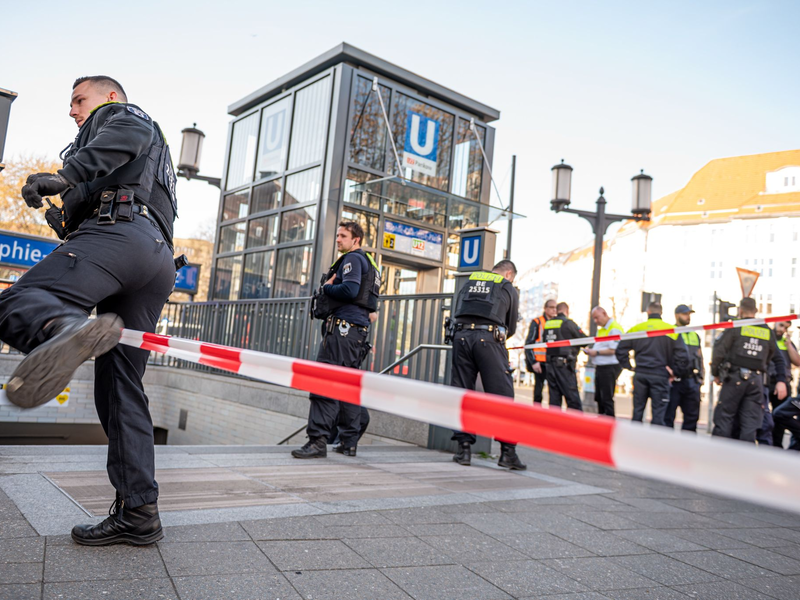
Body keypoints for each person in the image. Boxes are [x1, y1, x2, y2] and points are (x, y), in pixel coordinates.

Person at [0, 76, 178, 546]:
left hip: (120, 236)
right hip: (154, 256)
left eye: (79, 100)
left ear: (110, 96)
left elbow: (128, 134)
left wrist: (67, 175)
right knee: (120, 389)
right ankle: (139, 511)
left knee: (18, 302)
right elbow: (126, 173)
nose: (74, 111)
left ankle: (61, 327)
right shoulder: (146, 157)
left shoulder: (123, 114)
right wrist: (66, 216)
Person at [292, 221, 379, 459]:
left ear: (356, 240)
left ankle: (318, 441)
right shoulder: (369, 263)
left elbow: (350, 291)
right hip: (355, 333)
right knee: (347, 386)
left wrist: (327, 288)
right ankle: (349, 442)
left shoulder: (352, 259)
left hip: (342, 332)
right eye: (337, 235)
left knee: (324, 383)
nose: (338, 239)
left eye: (343, 236)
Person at [449, 260, 526, 470]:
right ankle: (507, 453)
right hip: (488, 339)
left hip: (461, 337)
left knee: (463, 392)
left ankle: (463, 450)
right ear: (509, 273)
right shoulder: (506, 286)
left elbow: (458, 308)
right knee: (502, 394)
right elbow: (510, 326)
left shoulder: (471, 280)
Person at [710, 297, 787, 443]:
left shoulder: (736, 326)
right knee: (750, 422)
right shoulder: (766, 330)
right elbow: (771, 354)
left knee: (725, 418)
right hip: (756, 381)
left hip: (734, 378)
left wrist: (716, 373)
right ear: (756, 311)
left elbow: (719, 351)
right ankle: (745, 461)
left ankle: (719, 456)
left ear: (740, 310)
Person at [616, 302, 689, 426]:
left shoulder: (637, 329)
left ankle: (634, 441)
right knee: (658, 414)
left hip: (641, 374)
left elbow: (620, 350)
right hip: (660, 375)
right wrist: (675, 372)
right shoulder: (671, 330)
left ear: (648, 312)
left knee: (638, 412)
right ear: (661, 313)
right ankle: (655, 443)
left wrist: (629, 366)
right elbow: (683, 356)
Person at [664, 305, 704, 431]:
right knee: (668, 416)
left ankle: (688, 447)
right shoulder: (669, 332)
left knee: (692, 417)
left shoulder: (694, 335)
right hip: (674, 380)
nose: (688, 317)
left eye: (689, 314)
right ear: (677, 315)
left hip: (691, 380)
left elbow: (699, 356)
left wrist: (701, 376)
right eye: (685, 314)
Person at [544, 302, 586, 411]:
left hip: (550, 366)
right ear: (567, 311)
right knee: (573, 400)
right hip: (564, 366)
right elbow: (584, 339)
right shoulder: (568, 323)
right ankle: (575, 426)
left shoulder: (548, 324)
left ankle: (554, 426)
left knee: (554, 400)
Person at [584, 306, 623, 417]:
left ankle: (609, 423)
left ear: (604, 313)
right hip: (601, 367)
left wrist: (596, 353)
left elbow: (613, 349)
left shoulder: (614, 328)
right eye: (594, 319)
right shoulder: (603, 329)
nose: (596, 321)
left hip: (609, 367)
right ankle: (602, 421)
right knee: (599, 397)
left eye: (597, 317)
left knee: (606, 398)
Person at [770, 320, 800, 448]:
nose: (783, 329)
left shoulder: (787, 343)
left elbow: (797, 362)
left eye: (786, 328)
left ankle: (778, 448)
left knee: (780, 415)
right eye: (781, 325)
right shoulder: (768, 338)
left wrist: (788, 345)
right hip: (768, 383)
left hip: (784, 385)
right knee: (775, 415)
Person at [524, 299, 557, 405]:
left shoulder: (556, 322)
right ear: (545, 309)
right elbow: (529, 343)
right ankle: (536, 413)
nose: (554, 310)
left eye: (555, 308)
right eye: (551, 307)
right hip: (539, 363)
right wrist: (533, 362)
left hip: (552, 362)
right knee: (538, 391)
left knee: (554, 391)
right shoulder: (537, 322)